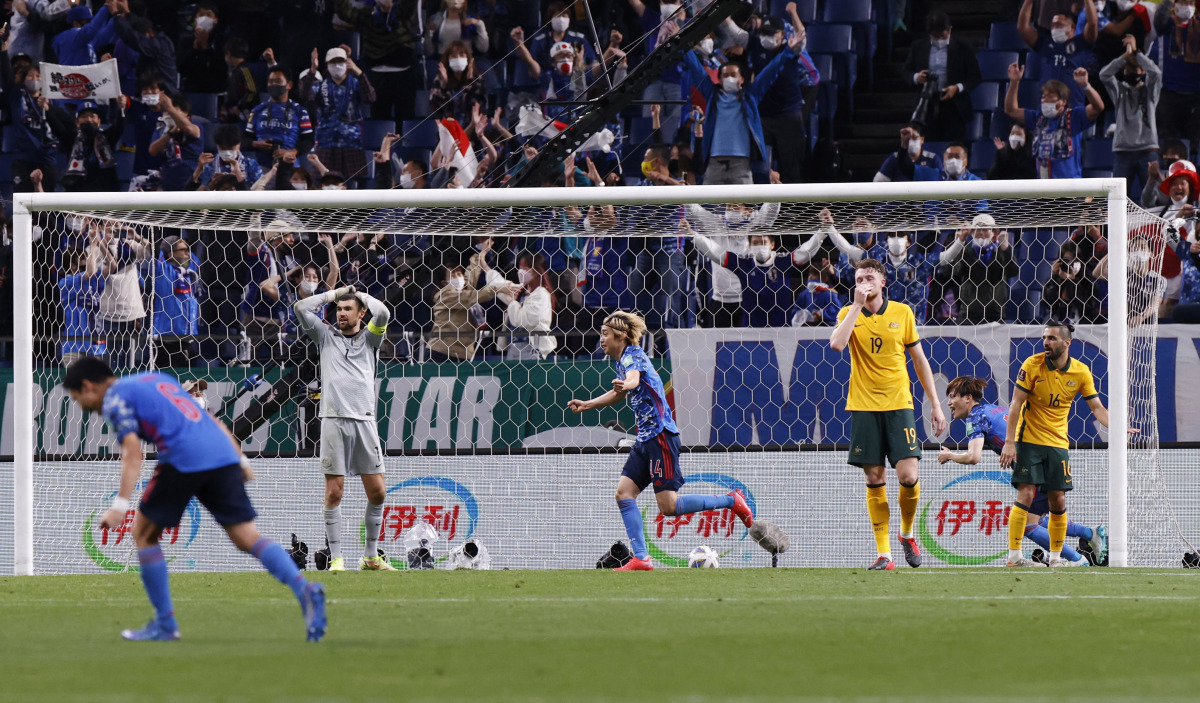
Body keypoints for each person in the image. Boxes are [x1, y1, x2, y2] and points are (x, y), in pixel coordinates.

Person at [62, 356, 326, 641]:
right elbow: (208, 419)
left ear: (89, 386)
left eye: (77, 398)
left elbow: (132, 452)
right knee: (246, 537)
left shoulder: (115, 399)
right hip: (220, 453)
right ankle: (305, 590)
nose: (81, 406)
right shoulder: (156, 379)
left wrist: (120, 505)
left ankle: (165, 624)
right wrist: (240, 458)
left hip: (182, 456)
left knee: (143, 533)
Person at [567, 311, 754, 571]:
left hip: (661, 436)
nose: (601, 339)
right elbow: (620, 391)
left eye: (605, 334)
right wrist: (588, 404)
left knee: (669, 506)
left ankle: (731, 500)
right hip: (645, 439)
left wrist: (627, 384)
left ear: (621, 336)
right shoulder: (622, 360)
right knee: (624, 494)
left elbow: (632, 380)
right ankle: (641, 558)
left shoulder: (634, 355)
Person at [828, 259, 948, 570]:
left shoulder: (902, 313)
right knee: (874, 477)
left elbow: (920, 361)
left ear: (883, 283)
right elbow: (837, 345)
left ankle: (906, 533)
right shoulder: (847, 314)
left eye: (869, 277)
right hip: (864, 406)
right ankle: (885, 554)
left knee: (908, 476)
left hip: (899, 404)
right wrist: (855, 306)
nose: (864, 282)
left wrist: (935, 404)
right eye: (858, 279)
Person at [1000, 320, 1132, 567]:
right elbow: (1015, 404)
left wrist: (1117, 427)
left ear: (1066, 342)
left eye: (1051, 338)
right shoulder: (1032, 365)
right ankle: (1014, 556)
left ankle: (1057, 559)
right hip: (1028, 440)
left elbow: (1097, 408)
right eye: (1044, 337)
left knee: (1058, 500)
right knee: (1025, 494)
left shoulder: (1081, 372)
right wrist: (1009, 442)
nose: (1045, 342)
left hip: (1058, 444)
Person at [938, 376, 1103, 566]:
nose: (949, 402)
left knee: (1027, 524)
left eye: (952, 396)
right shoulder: (993, 409)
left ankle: (1077, 559)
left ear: (968, 398)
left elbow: (973, 457)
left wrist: (950, 456)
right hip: (1045, 457)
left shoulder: (976, 416)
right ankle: (1090, 534)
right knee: (1037, 519)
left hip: (1034, 466)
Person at [293, 284, 395, 572]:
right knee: (334, 492)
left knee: (378, 493)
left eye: (348, 309)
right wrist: (335, 294)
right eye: (339, 309)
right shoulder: (325, 337)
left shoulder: (371, 339)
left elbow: (384, 311)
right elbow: (300, 308)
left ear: (361, 313)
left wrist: (359, 294)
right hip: (333, 420)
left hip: (364, 420)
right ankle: (337, 557)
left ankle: (371, 556)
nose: (341, 313)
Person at [682, 30, 804, 185]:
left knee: (745, 207)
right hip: (714, 163)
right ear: (719, 79)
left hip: (742, 164)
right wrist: (682, 46)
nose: (729, 78)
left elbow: (770, 72)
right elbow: (696, 69)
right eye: (725, 76)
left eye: (733, 74)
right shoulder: (711, 94)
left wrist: (787, 51)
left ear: (742, 79)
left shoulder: (751, 95)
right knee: (711, 208)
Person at [689, 229, 825, 327]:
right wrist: (694, 236)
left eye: (763, 241)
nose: (760, 245)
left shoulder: (783, 262)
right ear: (749, 246)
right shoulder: (744, 264)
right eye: (756, 242)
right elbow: (718, 253)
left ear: (772, 245)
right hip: (751, 331)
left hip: (782, 330)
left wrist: (823, 231)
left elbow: (805, 251)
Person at [685, 201, 779, 328]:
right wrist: (684, 192)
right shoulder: (717, 223)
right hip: (719, 300)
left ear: (748, 211)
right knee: (719, 344)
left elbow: (771, 210)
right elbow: (695, 212)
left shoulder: (755, 223)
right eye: (728, 206)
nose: (731, 210)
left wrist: (775, 186)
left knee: (747, 344)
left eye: (736, 206)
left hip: (748, 300)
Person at [1003, 64, 1104, 179]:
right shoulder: (1038, 119)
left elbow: (1098, 107)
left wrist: (1086, 86)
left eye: (1050, 97)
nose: (1045, 101)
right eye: (1043, 97)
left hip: (1070, 188)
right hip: (1044, 189)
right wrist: (1014, 82)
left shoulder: (1074, 117)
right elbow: (1010, 110)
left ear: (1063, 102)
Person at [903, 11, 982, 142]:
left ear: (949, 29)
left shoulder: (963, 47)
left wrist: (957, 88)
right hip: (926, 103)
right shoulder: (918, 47)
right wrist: (916, 77)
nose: (939, 39)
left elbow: (975, 76)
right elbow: (906, 71)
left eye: (942, 35)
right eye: (935, 35)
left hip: (954, 105)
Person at [1100, 36, 1161, 203]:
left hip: (1147, 150)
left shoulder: (1150, 92)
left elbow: (1156, 72)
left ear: (1142, 71)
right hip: (1123, 152)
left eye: (1135, 69)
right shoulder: (1119, 91)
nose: (1131, 72)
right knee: (1117, 200)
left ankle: (1154, 230)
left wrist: (1136, 53)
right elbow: (1104, 75)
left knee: (1153, 199)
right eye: (1127, 69)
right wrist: (1123, 58)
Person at [302, 46, 376, 183]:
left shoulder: (355, 83)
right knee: (323, 184)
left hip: (352, 143)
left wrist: (359, 72)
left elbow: (370, 98)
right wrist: (313, 70)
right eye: (333, 62)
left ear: (347, 63)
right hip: (326, 143)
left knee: (353, 185)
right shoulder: (320, 85)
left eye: (340, 61)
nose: (337, 65)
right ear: (327, 65)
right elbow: (305, 95)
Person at [244, 64, 315, 186]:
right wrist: (256, 144)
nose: (273, 85)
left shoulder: (299, 111)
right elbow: (244, 139)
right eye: (270, 81)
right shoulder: (257, 110)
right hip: (262, 169)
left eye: (278, 81)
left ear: (289, 85)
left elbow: (308, 140)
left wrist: (292, 151)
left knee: (290, 204)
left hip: (290, 169)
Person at [1018, 0, 1098, 107]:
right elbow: (1022, 27)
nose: (1055, 28)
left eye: (1059, 24)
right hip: (1047, 106)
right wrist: (1029, 2)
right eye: (1053, 25)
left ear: (1072, 27)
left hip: (1073, 107)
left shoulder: (1082, 43)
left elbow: (1092, 24)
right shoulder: (1044, 43)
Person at [941, 213, 1018, 323]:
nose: (981, 233)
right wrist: (959, 243)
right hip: (968, 315)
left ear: (994, 232)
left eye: (985, 229)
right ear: (971, 233)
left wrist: (1006, 249)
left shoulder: (1001, 251)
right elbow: (949, 272)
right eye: (977, 229)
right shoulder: (965, 251)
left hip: (995, 315)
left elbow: (1013, 272)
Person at [1153, 0, 1200, 150]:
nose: (1187, 5)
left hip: (1196, 96)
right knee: (1166, 143)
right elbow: (1159, 16)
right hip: (1169, 94)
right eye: (1183, 1)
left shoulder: (1198, 26)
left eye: (1190, 2)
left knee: (1195, 145)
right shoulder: (1167, 25)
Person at [1093, 236, 1168, 327]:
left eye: (1142, 247)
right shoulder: (1123, 275)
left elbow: (1155, 302)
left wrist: (1141, 317)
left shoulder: (1158, 279)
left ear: (1151, 253)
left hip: (1146, 324)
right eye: (1134, 248)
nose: (1138, 251)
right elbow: (1097, 273)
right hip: (1122, 322)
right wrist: (1114, 251)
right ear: (1129, 254)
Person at [150, 237, 200, 368]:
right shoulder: (162, 270)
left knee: (190, 386)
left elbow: (195, 260)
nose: (187, 253)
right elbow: (158, 252)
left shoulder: (191, 272)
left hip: (188, 340)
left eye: (188, 250)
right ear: (171, 254)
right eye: (183, 250)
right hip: (166, 341)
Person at [62, 101, 125, 193]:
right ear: (77, 122)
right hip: (77, 192)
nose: (89, 120)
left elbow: (119, 126)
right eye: (84, 117)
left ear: (99, 121)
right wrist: (47, 109)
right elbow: (56, 126)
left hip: (105, 191)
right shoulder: (71, 139)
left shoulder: (107, 137)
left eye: (92, 116)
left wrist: (121, 108)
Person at [503, 252, 557, 360]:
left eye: (526, 268)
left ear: (537, 271)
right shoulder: (522, 293)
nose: (521, 271)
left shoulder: (541, 294)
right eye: (520, 267)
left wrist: (513, 302)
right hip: (514, 346)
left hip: (531, 347)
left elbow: (521, 321)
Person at [58, 247, 106, 367]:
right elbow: (90, 272)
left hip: (94, 347)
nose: (86, 262)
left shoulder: (93, 282)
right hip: (73, 348)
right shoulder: (66, 282)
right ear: (72, 265)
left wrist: (102, 242)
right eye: (83, 259)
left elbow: (112, 267)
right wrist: (93, 243)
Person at [873, 122, 940, 183]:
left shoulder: (932, 159)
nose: (911, 141)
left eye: (914, 137)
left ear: (922, 139)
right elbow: (878, 182)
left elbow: (942, 181)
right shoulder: (895, 158)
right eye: (908, 138)